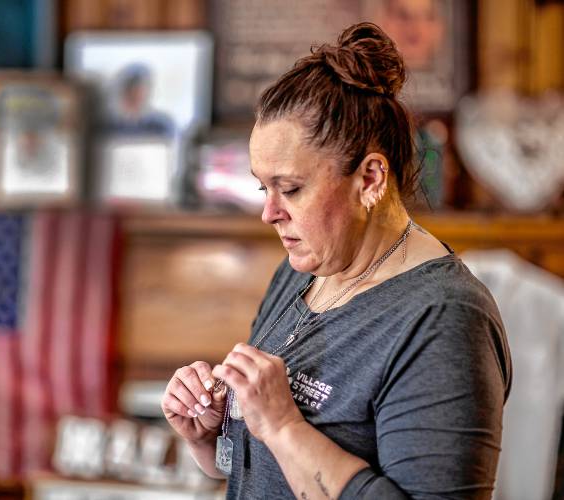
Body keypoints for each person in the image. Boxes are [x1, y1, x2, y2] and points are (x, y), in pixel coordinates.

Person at [161, 22, 511, 499]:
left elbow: (282, 435)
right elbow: (257, 470)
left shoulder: (445, 319)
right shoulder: (298, 273)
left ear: (369, 179)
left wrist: (283, 424)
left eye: (291, 189)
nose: (269, 212)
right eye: (264, 188)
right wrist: (211, 436)